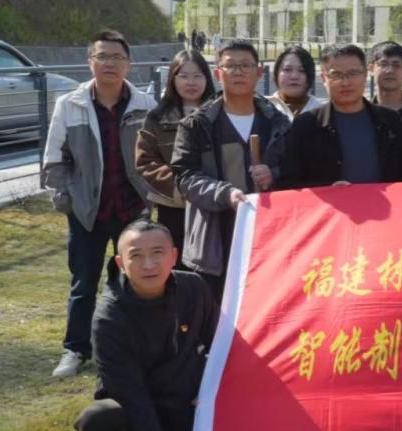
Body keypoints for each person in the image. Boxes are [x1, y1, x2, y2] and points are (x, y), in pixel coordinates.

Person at [74, 219, 218, 431]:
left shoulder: (194, 288)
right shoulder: (109, 318)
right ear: (120, 263)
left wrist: (211, 391)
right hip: (137, 413)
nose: (149, 264)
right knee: (98, 419)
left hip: (187, 408)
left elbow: (221, 346)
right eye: (136, 255)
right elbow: (132, 398)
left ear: (174, 256)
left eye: (157, 253)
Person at [43, 29, 155, 379]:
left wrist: (150, 199)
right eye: (102, 56)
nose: (110, 63)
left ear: (129, 64)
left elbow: (158, 155)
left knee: (133, 282)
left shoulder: (145, 105)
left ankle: (132, 348)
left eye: (117, 57)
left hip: (132, 210)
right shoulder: (70, 105)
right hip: (87, 212)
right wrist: (65, 200)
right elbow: (54, 159)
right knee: (83, 284)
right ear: (90, 61)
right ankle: (76, 349)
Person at [172, 40, 290, 299]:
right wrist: (225, 194)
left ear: (259, 72)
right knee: (217, 310)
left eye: (245, 65)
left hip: (268, 234)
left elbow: (295, 171)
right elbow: (186, 177)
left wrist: (274, 175)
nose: (238, 72)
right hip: (215, 237)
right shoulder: (197, 125)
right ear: (218, 73)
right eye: (231, 66)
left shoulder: (279, 123)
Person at [277, 44, 402, 188]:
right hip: (329, 203)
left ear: (365, 75)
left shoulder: (391, 121)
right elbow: (290, 182)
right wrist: (327, 189)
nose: (346, 82)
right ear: (323, 78)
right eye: (336, 75)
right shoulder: (306, 125)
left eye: (353, 73)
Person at [135, 50, 218, 252]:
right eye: (184, 76)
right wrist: (180, 188)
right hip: (173, 205)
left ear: (207, 79)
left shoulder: (220, 113)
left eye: (197, 76)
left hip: (215, 203)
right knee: (176, 259)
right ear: (173, 78)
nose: (191, 82)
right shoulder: (157, 117)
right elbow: (146, 161)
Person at [268, 45, 325, 122]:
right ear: (276, 73)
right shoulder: (263, 109)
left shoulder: (322, 113)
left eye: (302, 70)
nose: (294, 76)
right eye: (287, 69)